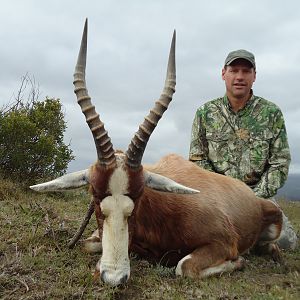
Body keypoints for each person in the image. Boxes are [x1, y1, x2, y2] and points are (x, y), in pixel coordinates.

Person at [189, 49, 298, 250]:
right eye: (234, 70)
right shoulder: (205, 114)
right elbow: (197, 160)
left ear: (254, 76)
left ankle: (248, 240)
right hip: (217, 200)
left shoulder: (271, 113)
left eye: (246, 71)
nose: (239, 77)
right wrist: (223, 196)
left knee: (286, 242)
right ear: (224, 74)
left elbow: (280, 162)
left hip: (258, 197)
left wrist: (253, 199)